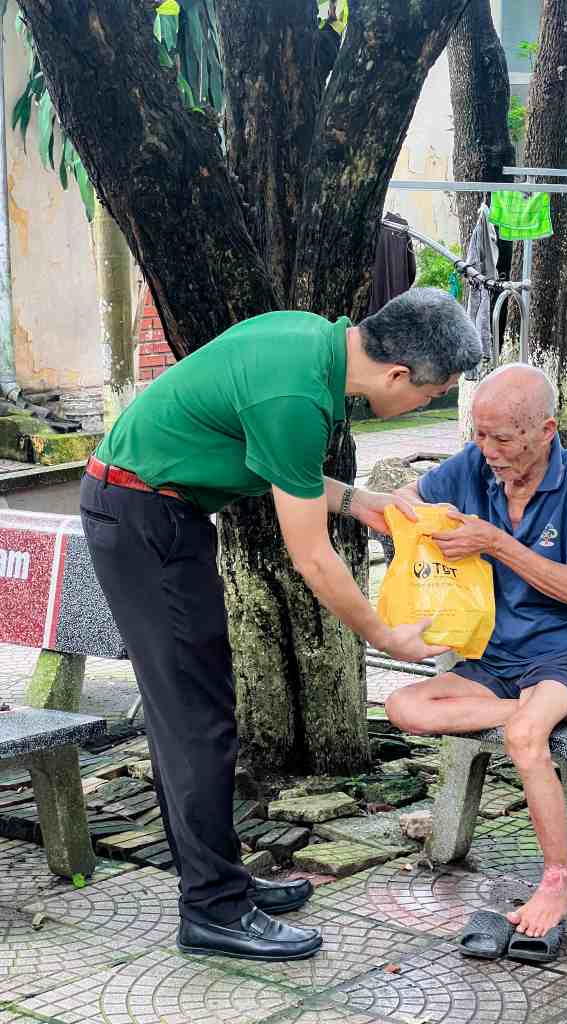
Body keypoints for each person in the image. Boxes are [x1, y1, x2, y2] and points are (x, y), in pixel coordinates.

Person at [80, 288, 482, 963]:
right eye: (432, 393)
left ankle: (218, 882)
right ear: (397, 375)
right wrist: (386, 638)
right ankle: (213, 911)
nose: (425, 405)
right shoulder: (298, 399)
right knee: (197, 721)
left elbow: (283, 468)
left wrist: (364, 503)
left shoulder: (308, 343)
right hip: (144, 520)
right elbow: (313, 560)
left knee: (194, 712)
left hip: (149, 510)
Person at [385, 363, 567, 942]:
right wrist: (415, 522)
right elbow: (403, 503)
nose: (486, 449)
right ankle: (551, 709)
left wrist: (494, 542)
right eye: (478, 434)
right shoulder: (474, 465)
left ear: (544, 431)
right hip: (498, 656)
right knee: (404, 707)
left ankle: (559, 878)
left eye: (501, 437)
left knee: (523, 738)